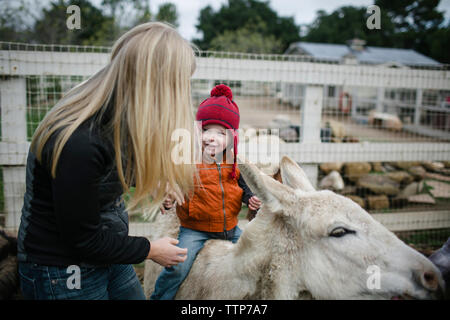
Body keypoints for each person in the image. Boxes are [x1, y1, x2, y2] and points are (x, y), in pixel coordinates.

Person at [17, 22, 197, 300]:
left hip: (108, 252)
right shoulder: (78, 142)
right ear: (158, 84)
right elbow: (82, 238)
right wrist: (150, 250)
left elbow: (111, 169)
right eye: (182, 81)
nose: (185, 91)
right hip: (64, 271)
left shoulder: (117, 115)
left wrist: (157, 181)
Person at [151, 84, 262, 300]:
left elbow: (244, 187)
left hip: (230, 228)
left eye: (220, 133)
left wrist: (252, 199)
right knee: (177, 268)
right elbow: (173, 188)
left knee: (256, 252)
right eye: (205, 130)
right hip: (195, 230)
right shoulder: (188, 163)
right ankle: (159, 298)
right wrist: (167, 201)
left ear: (232, 137)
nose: (211, 137)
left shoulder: (235, 164)